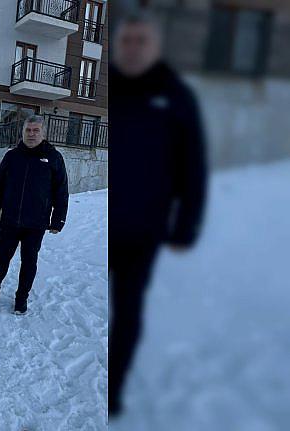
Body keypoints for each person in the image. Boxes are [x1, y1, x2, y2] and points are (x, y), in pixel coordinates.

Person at [109, 11, 207, 417]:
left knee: (128, 308)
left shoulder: (175, 94)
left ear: (155, 46)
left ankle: (114, 387)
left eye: (140, 41)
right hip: (108, 227)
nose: (132, 48)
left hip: (144, 227)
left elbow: (193, 165)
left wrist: (186, 224)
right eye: (126, 40)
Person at [0, 115, 69, 315]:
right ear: (23, 132)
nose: (31, 134)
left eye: (36, 130)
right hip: (10, 220)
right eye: (28, 130)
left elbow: (61, 191)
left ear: (43, 133)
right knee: (1, 259)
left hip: (36, 223)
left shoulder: (53, 157)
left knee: (29, 261)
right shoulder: (12, 156)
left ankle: (21, 298)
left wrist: (58, 219)